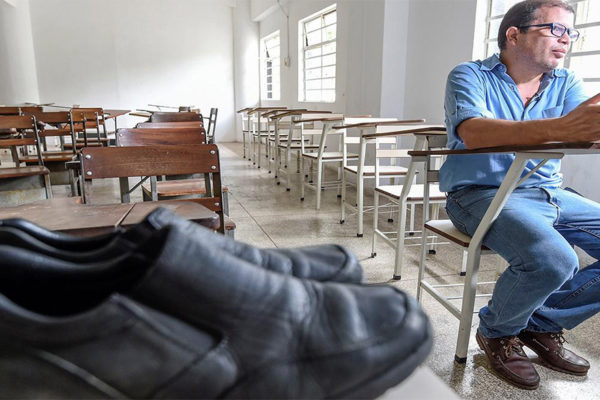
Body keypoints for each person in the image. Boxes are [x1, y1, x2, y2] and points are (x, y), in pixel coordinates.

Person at [440, 0, 600, 390]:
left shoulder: (565, 82)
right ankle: (497, 332)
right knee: (553, 259)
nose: (566, 41)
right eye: (556, 30)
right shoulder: (470, 75)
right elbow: (474, 132)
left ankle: (542, 323)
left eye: (571, 33)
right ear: (514, 34)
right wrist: (563, 126)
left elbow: (583, 131)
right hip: (480, 193)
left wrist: (586, 128)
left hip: (548, 191)